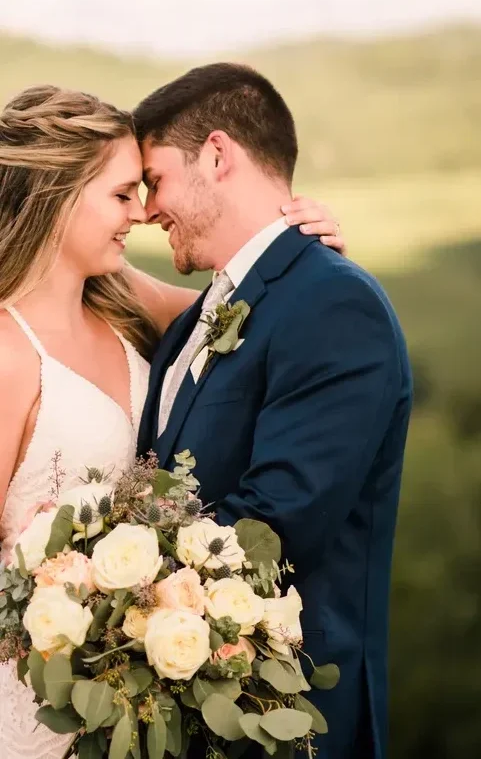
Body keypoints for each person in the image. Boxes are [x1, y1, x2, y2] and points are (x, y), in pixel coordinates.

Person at [0, 83, 342, 759]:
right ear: (58, 196)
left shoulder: (131, 305)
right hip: (31, 688)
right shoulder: (8, 351)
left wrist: (312, 255)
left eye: (143, 191)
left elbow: (268, 313)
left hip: (131, 689)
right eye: (123, 194)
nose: (143, 212)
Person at [135, 63, 413, 759]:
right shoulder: (196, 318)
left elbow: (273, 528)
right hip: (192, 716)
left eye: (154, 180)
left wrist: (105, 586)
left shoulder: (332, 302)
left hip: (290, 719)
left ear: (217, 155)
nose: (145, 208)